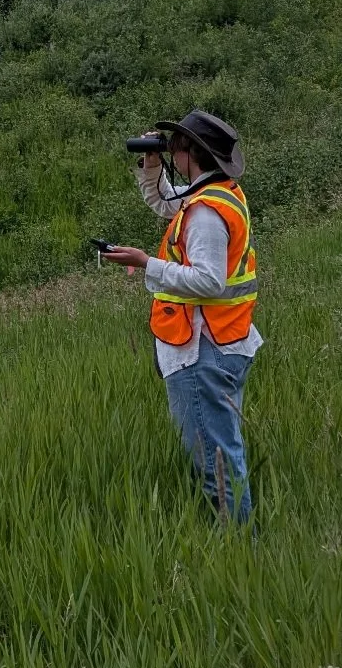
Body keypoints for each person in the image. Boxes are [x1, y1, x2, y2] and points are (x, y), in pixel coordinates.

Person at [101, 110, 260, 523]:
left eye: (177, 145)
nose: (173, 149)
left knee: (215, 463)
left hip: (204, 350)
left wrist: (146, 263)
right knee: (221, 449)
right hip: (227, 340)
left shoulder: (206, 214)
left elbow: (209, 282)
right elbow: (166, 202)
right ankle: (237, 540)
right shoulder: (220, 193)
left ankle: (239, 546)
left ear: (192, 153)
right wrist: (152, 165)